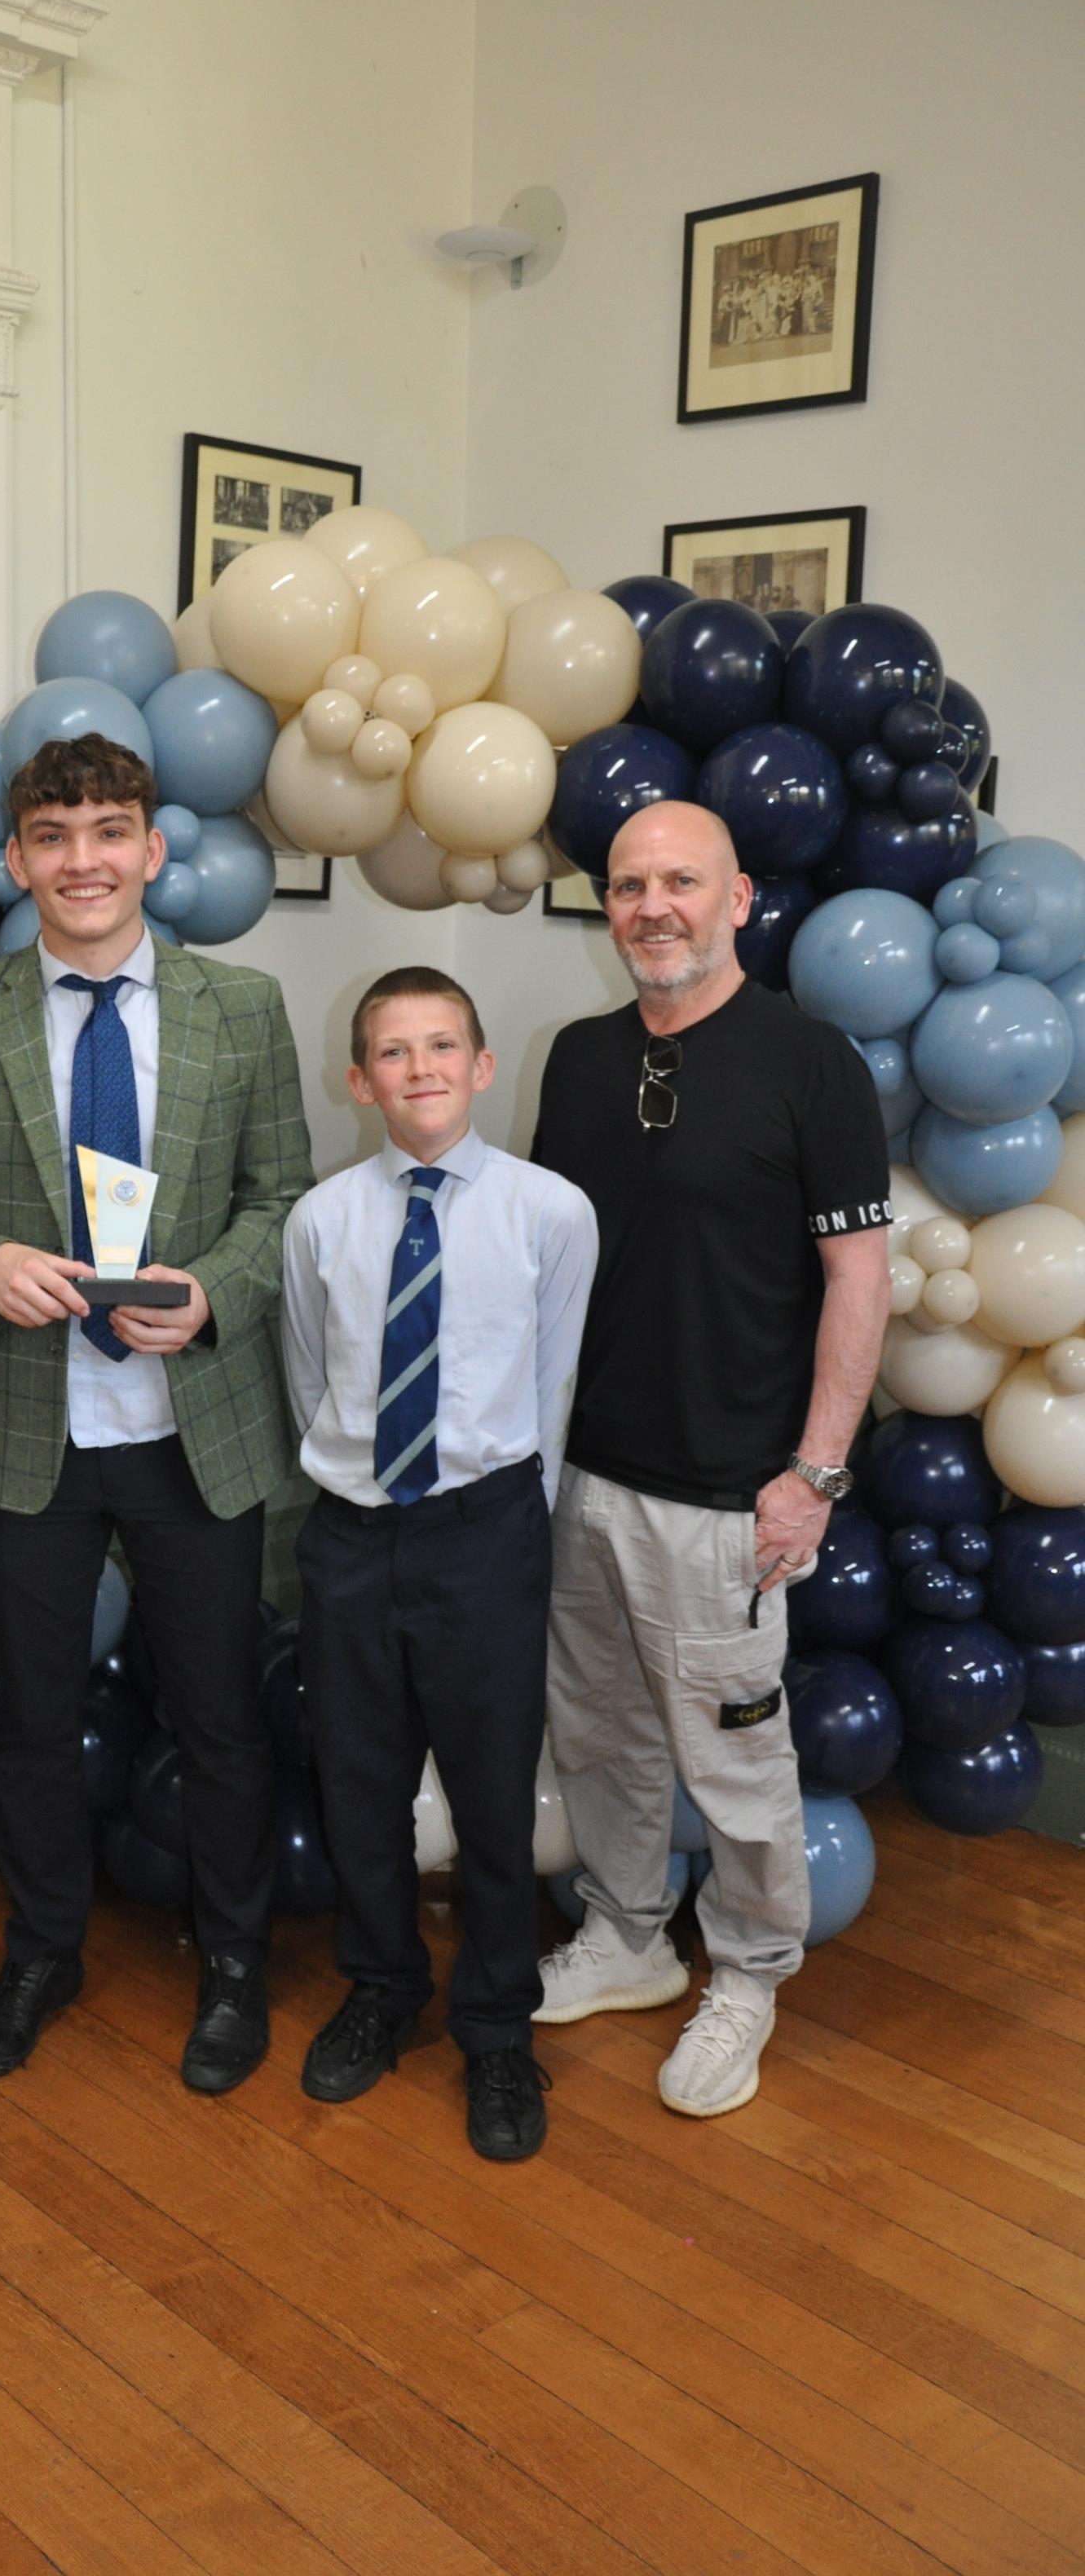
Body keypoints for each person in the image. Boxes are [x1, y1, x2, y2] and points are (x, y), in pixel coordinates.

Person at [0, 733, 314, 2091]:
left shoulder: (244, 1008)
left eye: (109, 832)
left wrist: (219, 1293)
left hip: (198, 1429)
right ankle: (41, 1953)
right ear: (19, 859)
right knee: (34, 1718)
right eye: (55, 837)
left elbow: (283, 1203)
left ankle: (232, 1963)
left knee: (220, 1718)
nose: (84, 861)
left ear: (152, 850)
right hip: (29, 1433)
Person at [531, 801, 891, 2118]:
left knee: (735, 1763)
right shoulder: (577, 1058)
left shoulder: (812, 1063)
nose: (654, 907)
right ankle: (627, 1935)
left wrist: (816, 1474)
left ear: (737, 900)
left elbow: (860, 1280)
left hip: (733, 1494)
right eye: (630, 886)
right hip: (585, 1475)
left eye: (683, 881)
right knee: (603, 1735)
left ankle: (746, 1974)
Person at [280, 971, 597, 2162]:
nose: (420, 1069)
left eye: (443, 1046)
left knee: (494, 1795)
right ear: (359, 1080)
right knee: (359, 1783)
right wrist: (360, 1491)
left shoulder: (549, 1212)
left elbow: (554, 1380)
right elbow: (311, 1381)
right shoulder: (323, 1221)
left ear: (481, 1066)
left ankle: (498, 2030)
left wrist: (515, 1523)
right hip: (353, 1535)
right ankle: (382, 1986)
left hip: (486, 1531)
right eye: (394, 1052)